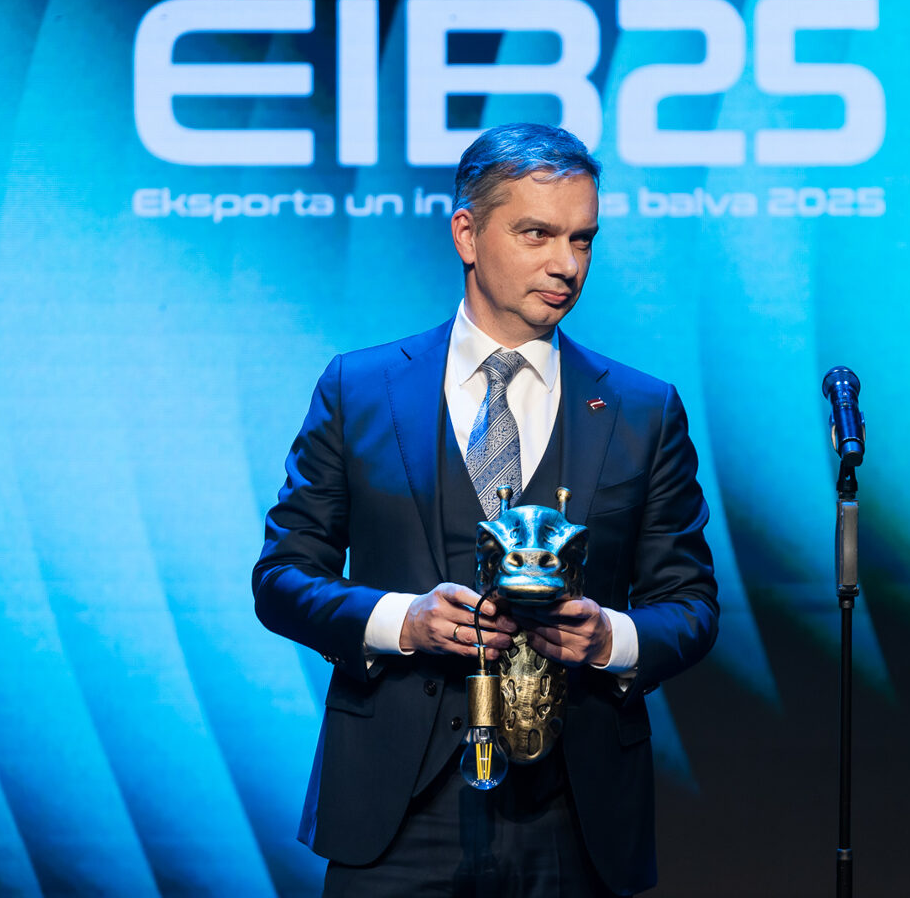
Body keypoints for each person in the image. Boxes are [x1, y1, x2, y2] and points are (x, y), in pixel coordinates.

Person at [253, 123, 719, 896]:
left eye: (581, 239)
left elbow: (691, 606)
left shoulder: (643, 411)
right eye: (536, 234)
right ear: (467, 234)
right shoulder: (358, 390)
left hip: (574, 816)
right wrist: (402, 621)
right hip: (395, 812)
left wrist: (611, 637)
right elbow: (282, 579)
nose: (566, 265)